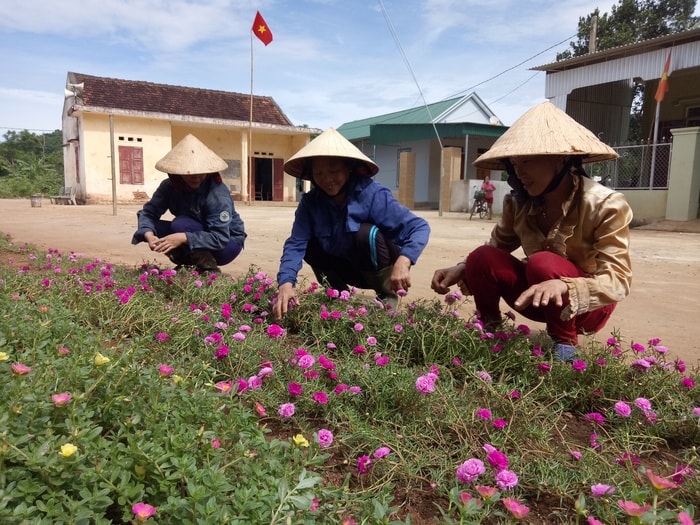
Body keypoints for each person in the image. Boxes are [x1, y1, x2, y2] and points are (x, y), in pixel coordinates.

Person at [430, 102, 633, 361]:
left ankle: (565, 345)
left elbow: (618, 281)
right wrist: (463, 267)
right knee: (481, 256)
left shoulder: (605, 204)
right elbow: (496, 249)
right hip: (535, 299)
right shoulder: (518, 202)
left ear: (560, 159)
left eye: (527, 162)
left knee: (542, 262)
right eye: (514, 164)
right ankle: (490, 332)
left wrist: (564, 285)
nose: (519, 172)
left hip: (587, 308)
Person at [274, 127, 431, 318]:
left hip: (377, 271)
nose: (327, 179)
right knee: (309, 244)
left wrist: (404, 261)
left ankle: (386, 297)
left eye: (334, 170)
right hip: (343, 268)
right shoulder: (310, 203)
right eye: (319, 173)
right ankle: (338, 295)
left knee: (365, 234)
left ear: (348, 167)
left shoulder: (372, 194)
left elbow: (419, 227)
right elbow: (296, 243)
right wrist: (286, 283)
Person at [132, 134, 246, 274]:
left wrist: (183, 237)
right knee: (154, 227)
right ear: (178, 172)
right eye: (190, 173)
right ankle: (188, 265)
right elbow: (149, 213)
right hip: (195, 231)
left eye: (201, 173)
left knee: (180, 224)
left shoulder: (217, 194)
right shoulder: (169, 186)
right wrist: (149, 235)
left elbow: (220, 237)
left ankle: (209, 268)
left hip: (227, 244)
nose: (196, 177)